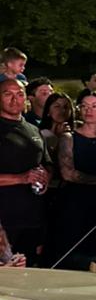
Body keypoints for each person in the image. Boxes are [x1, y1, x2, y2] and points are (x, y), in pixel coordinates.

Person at [49, 95, 96, 271]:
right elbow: (68, 174)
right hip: (74, 203)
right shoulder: (68, 138)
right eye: (84, 106)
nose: (89, 110)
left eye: (94, 106)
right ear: (79, 110)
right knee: (73, 255)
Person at [0, 78, 50, 261]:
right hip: (4, 223)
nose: (15, 99)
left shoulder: (34, 129)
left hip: (33, 220)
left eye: (19, 94)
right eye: (8, 94)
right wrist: (21, 178)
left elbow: (47, 163)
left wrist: (46, 177)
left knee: (30, 272)